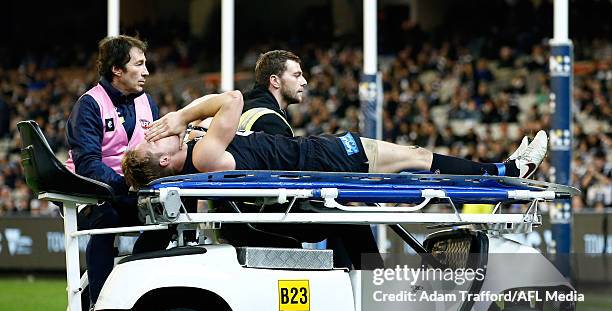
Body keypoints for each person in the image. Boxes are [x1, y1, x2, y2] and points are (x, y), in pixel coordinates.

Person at [122, 92, 548, 191]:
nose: (158, 133)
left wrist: (181, 126)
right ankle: (506, 172)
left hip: (317, 155)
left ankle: (500, 170)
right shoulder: (203, 154)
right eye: (153, 143)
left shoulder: (196, 155)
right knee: (418, 159)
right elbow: (232, 98)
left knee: (417, 160)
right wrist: (179, 117)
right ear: (162, 163)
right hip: (322, 158)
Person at [228, 50, 380, 269]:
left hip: (243, 217)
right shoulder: (270, 121)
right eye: (297, 75)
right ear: (275, 81)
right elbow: (286, 183)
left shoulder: (248, 110)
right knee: (350, 216)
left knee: (340, 213)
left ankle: (349, 280)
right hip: (262, 221)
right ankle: (377, 280)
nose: (304, 81)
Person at [65, 35, 171, 311]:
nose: (147, 71)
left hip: (133, 193)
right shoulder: (89, 105)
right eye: (139, 64)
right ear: (117, 70)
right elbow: (88, 166)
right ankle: (98, 307)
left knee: (166, 222)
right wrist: (129, 186)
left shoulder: (148, 102)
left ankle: (130, 288)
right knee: (106, 217)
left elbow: (163, 150)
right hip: (91, 196)